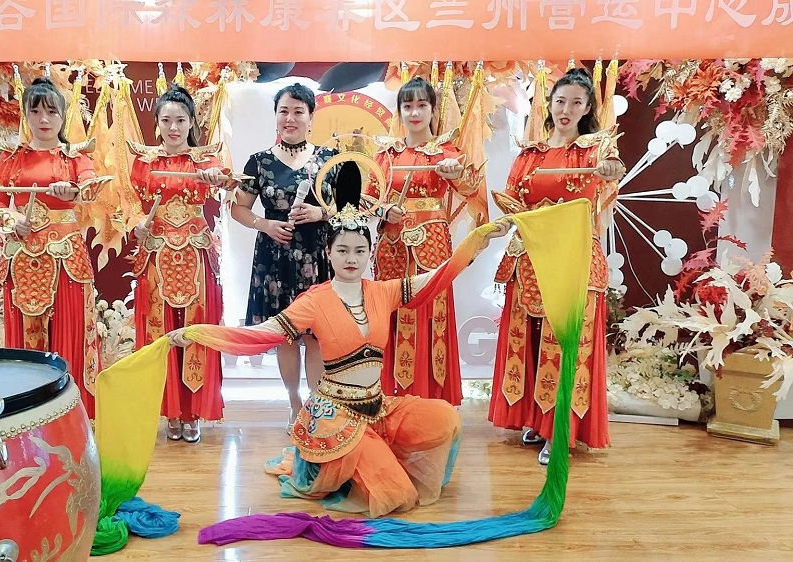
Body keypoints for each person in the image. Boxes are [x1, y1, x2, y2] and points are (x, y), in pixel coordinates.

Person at [169, 197, 513, 517]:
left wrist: (477, 241)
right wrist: (200, 333)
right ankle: (351, 464)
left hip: (377, 406)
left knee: (445, 418)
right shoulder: (313, 301)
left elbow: (439, 277)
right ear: (328, 253)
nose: (351, 259)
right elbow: (262, 334)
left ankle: (371, 456)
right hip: (336, 415)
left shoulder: (384, 291)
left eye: (360, 251)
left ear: (369, 253)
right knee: (395, 494)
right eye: (343, 250)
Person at [487, 68, 626, 465]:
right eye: (560, 101)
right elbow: (512, 202)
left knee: (564, 343)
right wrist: (500, 225)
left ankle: (560, 428)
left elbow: (611, 172)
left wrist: (610, 170)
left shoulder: (595, 151)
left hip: (574, 257)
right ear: (548, 105)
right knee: (531, 340)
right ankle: (537, 418)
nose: (566, 109)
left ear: (587, 109)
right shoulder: (529, 155)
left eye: (576, 103)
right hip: (530, 258)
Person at [0, 77, 102, 419]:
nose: (44, 119)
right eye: (35, 111)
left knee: (71, 333)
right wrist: (12, 220)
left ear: (63, 116)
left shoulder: (75, 156)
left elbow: (91, 187)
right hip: (22, 256)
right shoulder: (11, 158)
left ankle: (73, 417)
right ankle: (29, 417)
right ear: (26, 115)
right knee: (25, 338)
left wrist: (74, 191)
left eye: (51, 111)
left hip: (65, 258)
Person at [128, 85, 234, 444]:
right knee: (159, 330)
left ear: (192, 123)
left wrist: (217, 178)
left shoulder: (205, 161)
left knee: (195, 329)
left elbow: (227, 177)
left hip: (195, 256)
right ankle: (170, 410)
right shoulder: (144, 162)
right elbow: (129, 204)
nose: (173, 128)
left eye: (181, 120)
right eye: (166, 120)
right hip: (157, 254)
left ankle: (193, 411)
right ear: (157, 123)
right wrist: (137, 225)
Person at [230, 83, 339, 432]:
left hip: (316, 256)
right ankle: (294, 403)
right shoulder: (259, 162)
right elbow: (238, 209)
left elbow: (350, 206)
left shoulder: (329, 159)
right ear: (276, 116)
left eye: (298, 112)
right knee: (287, 336)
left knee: (316, 336)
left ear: (311, 117)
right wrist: (265, 225)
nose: (290, 119)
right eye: (283, 111)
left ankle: (316, 405)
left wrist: (321, 213)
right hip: (275, 259)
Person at [369, 77, 482, 405]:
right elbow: (368, 197)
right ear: (400, 111)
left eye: (422, 105)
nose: (414, 113)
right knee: (392, 313)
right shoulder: (386, 155)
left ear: (434, 110)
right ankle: (391, 397)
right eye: (408, 106)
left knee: (432, 313)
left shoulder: (447, 153)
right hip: (392, 247)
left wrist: (455, 173)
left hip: (431, 246)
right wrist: (383, 210)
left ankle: (431, 398)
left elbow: (472, 190)